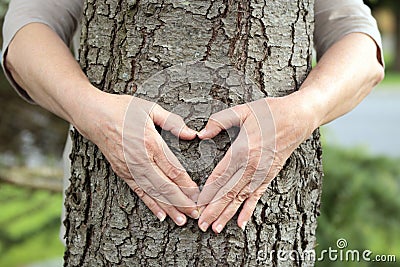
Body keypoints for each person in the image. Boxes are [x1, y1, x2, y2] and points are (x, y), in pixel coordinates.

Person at [1, 0, 384, 236]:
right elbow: (24, 35)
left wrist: (305, 110)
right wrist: (90, 111)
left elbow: (361, 45)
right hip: (106, 216)